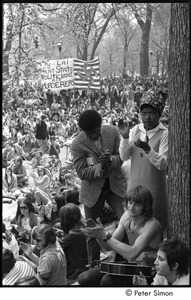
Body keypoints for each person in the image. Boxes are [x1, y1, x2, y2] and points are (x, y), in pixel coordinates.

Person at [78, 185, 163, 287]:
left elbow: (132, 254)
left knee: (107, 281)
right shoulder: (127, 216)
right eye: (130, 202)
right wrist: (97, 234)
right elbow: (108, 247)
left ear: (145, 206)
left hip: (147, 273)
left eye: (137, 205)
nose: (131, 208)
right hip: (128, 267)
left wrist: (106, 235)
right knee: (84, 278)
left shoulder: (151, 225)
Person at [71, 109, 127, 262]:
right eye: (90, 133)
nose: (95, 135)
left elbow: (120, 158)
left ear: (100, 125)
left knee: (127, 221)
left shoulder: (113, 132)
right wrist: (100, 167)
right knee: (92, 231)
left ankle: (123, 259)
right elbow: (82, 172)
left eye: (97, 131)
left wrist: (110, 161)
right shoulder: (77, 144)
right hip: (93, 191)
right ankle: (93, 266)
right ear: (83, 131)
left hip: (116, 185)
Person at [118, 89, 168, 231]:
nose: (147, 117)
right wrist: (125, 138)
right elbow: (124, 157)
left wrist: (148, 150)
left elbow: (163, 163)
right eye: (144, 113)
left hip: (154, 187)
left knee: (154, 226)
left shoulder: (164, 133)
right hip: (135, 185)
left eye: (151, 113)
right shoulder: (135, 130)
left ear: (159, 114)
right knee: (131, 224)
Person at [59, 203, 88, 285]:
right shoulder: (83, 228)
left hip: (75, 275)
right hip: (85, 268)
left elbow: (56, 245)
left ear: (66, 220)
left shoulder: (72, 235)